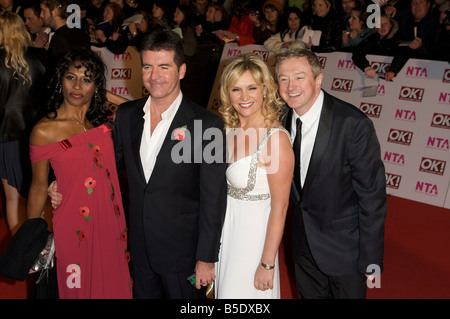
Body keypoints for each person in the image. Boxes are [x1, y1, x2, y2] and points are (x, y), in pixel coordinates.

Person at [113, 30, 227, 298]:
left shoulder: (206, 125)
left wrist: (206, 258)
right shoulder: (127, 116)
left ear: (182, 70)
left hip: (183, 255)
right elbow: (109, 170)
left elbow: (214, 198)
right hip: (139, 251)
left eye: (164, 67)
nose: (155, 76)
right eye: (148, 67)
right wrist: (64, 183)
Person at [275, 48, 387, 299]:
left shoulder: (352, 124)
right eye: (283, 78)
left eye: (299, 77)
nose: (291, 86)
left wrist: (371, 259)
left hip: (346, 253)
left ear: (318, 79)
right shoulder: (279, 119)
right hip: (303, 247)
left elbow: (372, 197)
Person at [27, 49, 132, 299]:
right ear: (59, 80)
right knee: (78, 289)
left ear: (97, 85)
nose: (77, 86)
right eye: (70, 77)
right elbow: (39, 187)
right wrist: (32, 238)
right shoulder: (44, 130)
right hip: (74, 224)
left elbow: (140, 110)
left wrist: (101, 91)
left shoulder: (103, 121)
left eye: (86, 79)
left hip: (112, 220)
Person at [215, 53, 294, 299]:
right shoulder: (228, 131)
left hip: (253, 245)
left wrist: (267, 264)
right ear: (227, 94)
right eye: (236, 89)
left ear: (265, 90)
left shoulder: (275, 139)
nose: (244, 97)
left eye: (252, 87)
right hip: (226, 238)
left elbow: (280, 208)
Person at [0, 11, 47, 236]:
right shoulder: (40, 57)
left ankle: (20, 249)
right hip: (39, 133)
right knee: (40, 190)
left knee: (11, 196)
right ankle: (38, 245)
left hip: (6, 134)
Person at [352, 13, 409, 82]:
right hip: (374, 77)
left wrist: (392, 70)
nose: (382, 27)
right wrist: (366, 67)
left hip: (397, 79)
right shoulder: (372, 38)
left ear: (391, 25)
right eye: (379, 24)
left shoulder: (399, 38)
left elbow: (402, 54)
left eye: (386, 24)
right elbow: (357, 53)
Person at [40, 0, 90, 76]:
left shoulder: (59, 38)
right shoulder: (81, 33)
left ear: (55, 11)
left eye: (43, 11)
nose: (41, 15)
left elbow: (59, 72)